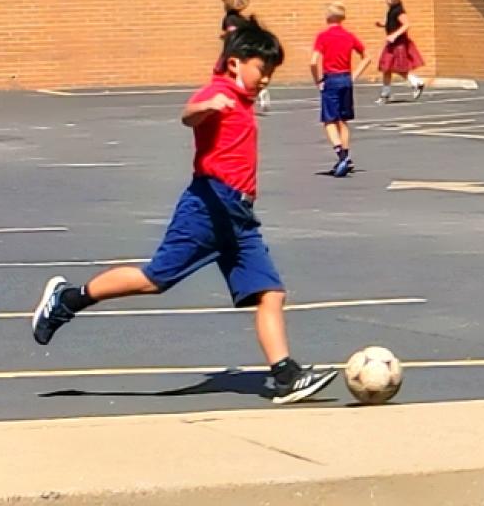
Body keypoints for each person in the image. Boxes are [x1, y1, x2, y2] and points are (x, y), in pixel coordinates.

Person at [29, 23, 338, 406]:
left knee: (270, 293)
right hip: (208, 207)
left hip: (239, 216)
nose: (266, 79)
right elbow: (188, 114)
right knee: (153, 279)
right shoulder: (218, 91)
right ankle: (67, 299)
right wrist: (207, 106)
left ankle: (285, 375)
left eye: (271, 72)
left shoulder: (241, 96)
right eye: (262, 70)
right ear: (235, 64)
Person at [309, 2, 368, 176]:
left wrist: (317, 80)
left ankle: (341, 155)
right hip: (345, 78)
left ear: (328, 17)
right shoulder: (349, 36)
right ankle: (347, 155)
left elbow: (313, 61)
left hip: (331, 79)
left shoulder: (323, 37)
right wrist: (354, 75)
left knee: (329, 120)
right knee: (343, 120)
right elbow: (366, 56)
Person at [377, 0, 427, 103]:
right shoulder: (391, 9)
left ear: (395, 0)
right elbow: (392, 22)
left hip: (399, 44)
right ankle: (386, 93)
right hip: (392, 44)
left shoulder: (399, 11)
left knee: (398, 67)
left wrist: (394, 35)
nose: (386, 1)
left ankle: (416, 83)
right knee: (386, 67)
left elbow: (406, 25)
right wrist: (383, 24)